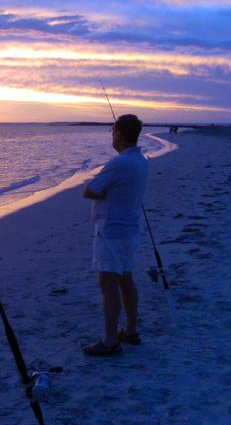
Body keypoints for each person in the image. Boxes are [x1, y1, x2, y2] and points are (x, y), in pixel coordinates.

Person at [81, 114, 149, 356]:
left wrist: (101, 194)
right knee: (125, 278)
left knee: (108, 282)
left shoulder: (120, 163)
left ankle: (110, 341)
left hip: (112, 231)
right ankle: (130, 329)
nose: (112, 135)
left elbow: (89, 190)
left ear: (119, 133)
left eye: (112, 131)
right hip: (128, 229)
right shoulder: (140, 160)